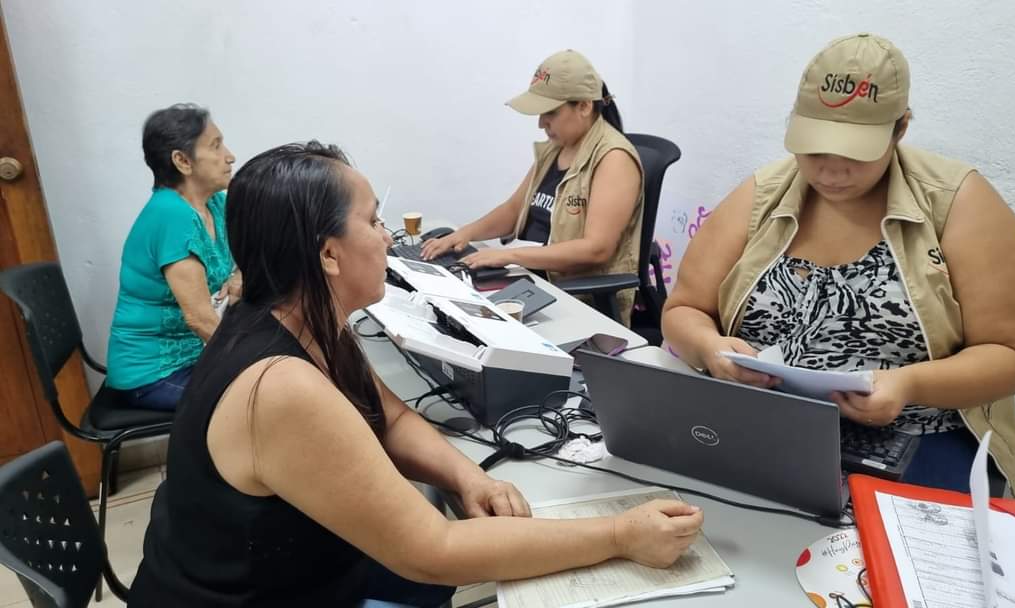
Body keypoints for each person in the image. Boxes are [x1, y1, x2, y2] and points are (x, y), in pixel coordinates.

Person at [127, 141, 704, 606]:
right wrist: (621, 536)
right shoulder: (280, 386)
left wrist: (466, 479)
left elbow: (389, 415)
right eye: (373, 221)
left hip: (302, 568)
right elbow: (432, 548)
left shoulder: (299, 318)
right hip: (256, 592)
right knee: (438, 573)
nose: (386, 237)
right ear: (328, 255)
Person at [662, 34, 1015, 497]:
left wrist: (909, 384)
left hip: (917, 434)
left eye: (855, 154)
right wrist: (710, 349)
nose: (830, 171)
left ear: (899, 129)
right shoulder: (764, 194)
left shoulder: (955, 202)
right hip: (769, 419)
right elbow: (683, 309)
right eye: (814, 149)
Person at [420, 49, 644, 324]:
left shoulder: (614, 158)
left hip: (574, 299)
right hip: (533, 279)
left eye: (550, 112)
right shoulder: (556, 148)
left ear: (584, 106)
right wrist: (464, 234)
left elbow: (596, 249)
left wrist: (508, 256)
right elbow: (514, 210)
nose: (541, 123)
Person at [105, 103, 239, 411]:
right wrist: (253, 361)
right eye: (216, 147)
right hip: (152, 376)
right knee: (259, 396)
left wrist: (238, 275)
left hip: (194, 357)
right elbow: (200, 319)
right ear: (182, 161)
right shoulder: (171, 215)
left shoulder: (215, 203)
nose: (229, 156)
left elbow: (257, 246)